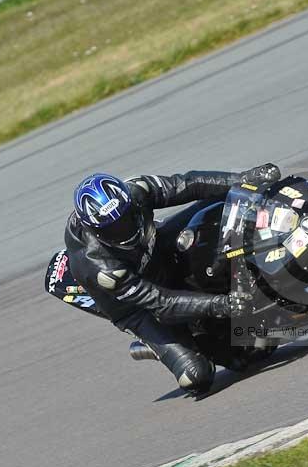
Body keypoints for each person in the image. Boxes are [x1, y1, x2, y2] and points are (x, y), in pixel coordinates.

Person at [64, 164, 281, 396]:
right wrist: (222, 304)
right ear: (97, 231)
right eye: (114, 229)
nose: (124, 229)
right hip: (139, 308)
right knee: (198, 376)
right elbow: (162, 303)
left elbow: (186, 184)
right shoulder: (100, 267)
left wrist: (244, 179)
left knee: (221, 204)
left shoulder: (136, 190)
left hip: (153, 245)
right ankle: (155, 343)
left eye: (127, 218)